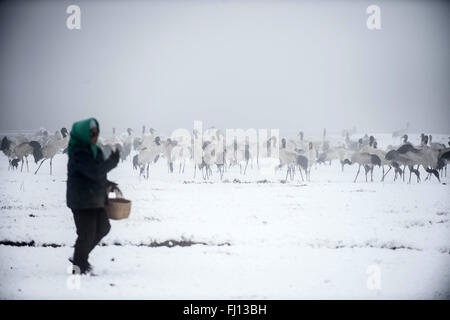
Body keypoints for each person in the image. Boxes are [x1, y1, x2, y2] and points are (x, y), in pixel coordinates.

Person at [66, 118, 120, 275]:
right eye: (91, 133)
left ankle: (79, 256)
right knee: (87, 234)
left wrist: (108, 183)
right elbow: (94, 172)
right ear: (83, 134)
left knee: (103, 227)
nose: (95, 136)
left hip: (95, 199)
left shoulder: (94, 151)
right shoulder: (78, 152)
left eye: (96, 132)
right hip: (81, 200)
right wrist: (112, 161)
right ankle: (78, 267)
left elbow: (97, 174)